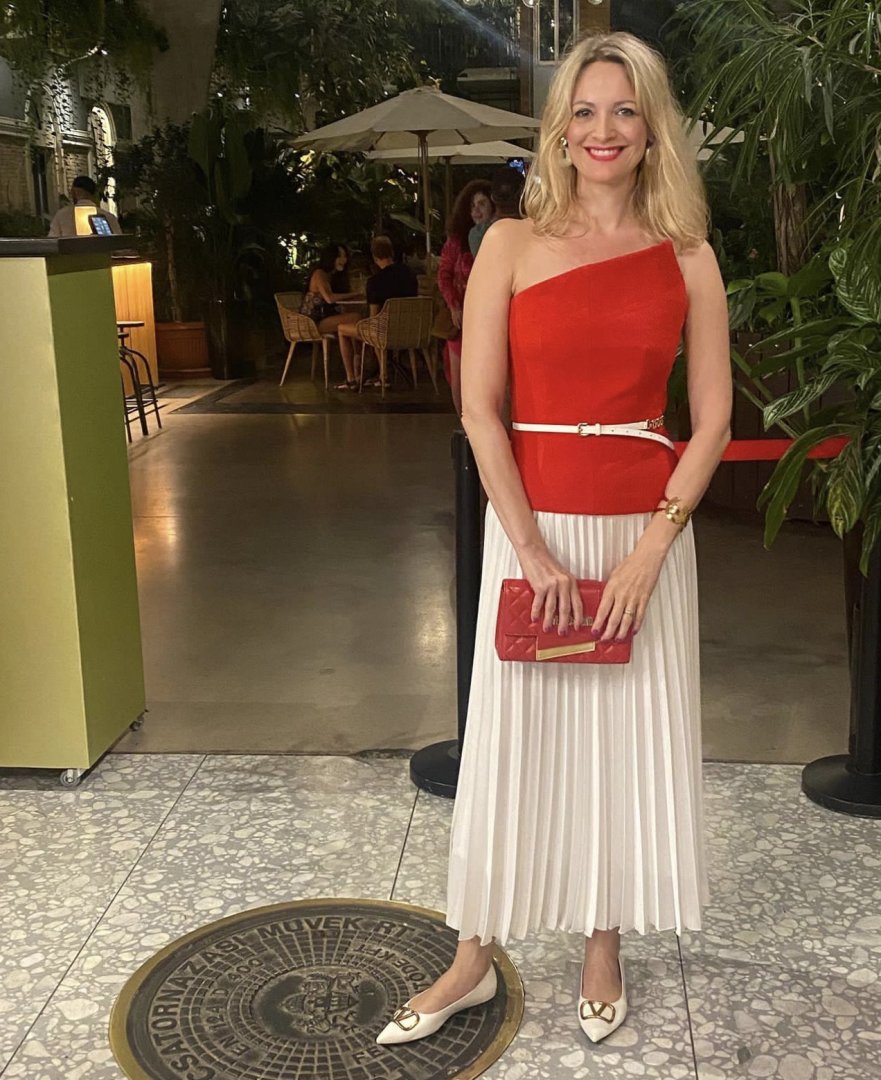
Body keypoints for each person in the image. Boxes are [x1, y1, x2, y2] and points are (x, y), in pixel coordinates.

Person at [376, 31, 731, 1048]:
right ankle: (472, 956)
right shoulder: (509, 244)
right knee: (510, 743)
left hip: (640, 540)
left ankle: (600, 942)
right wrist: (530, 549)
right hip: (530, 529)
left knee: (617, 741)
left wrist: (651, 550)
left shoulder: (689, 256)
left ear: (650, 129)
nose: (602, 130)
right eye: (584, 110)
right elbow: (477, 408)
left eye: (623, 110)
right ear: (559, 129)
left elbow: (709, 420)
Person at [436, 179, 493, 415]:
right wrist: (453, 305)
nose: (476, 210)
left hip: (490, 319)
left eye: (481, 204)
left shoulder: (500, 237)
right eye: (472, 206)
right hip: (461, 318)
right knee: (458, 378)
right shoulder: (457, 242)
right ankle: (464, 423)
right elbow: (444, 274)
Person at [338, 235, 418, 388]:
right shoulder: (410, 274)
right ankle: (380, 373)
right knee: (377, 327)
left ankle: (353, 378)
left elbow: (373, 317)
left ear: (374, 257)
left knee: (343, 329)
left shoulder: (375, 282)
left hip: (385, 333)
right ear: (391, 252)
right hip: (410, 330)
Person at [301, 243, 362, 390]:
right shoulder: (319, 274)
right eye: (339, 256)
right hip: (313, 321)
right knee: (356, 318)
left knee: (347, 327)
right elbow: (329, 298)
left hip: (325, 317)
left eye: (345, 256)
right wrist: (355, 294)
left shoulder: (333, 276)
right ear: (330, 258)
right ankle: (359, 368)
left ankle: (354, 376)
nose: (344, 260)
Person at [47, 176, 122, 238]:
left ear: (73, 192)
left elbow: (52, 241)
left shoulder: (62, 215)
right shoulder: (109, 217)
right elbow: (118, 242)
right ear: (94, 193)